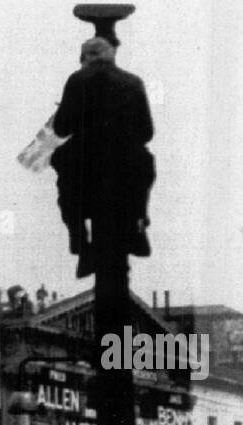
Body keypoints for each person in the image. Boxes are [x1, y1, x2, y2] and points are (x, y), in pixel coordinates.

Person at [50, 36, 155, 276]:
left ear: (87, 57)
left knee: (65, 179)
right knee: (145, 169)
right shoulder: (133, 82)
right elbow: (147, 131)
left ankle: (79, 239)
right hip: (126, 163)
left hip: (86, 163)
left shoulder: (77, 81)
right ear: (111, 55)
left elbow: (61, 128)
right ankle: (138, 224)